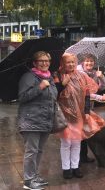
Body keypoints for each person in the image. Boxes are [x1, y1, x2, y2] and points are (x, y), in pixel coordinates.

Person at [54, 53, 105, 179]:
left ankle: (75, 166)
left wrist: (87, 112)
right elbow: (53, 95)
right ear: (63, 63)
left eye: (73, 62)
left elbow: (87, 94)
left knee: (77, 142)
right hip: (64, 115)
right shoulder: (58, 76)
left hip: (79, 114)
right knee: (66, 142)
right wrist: (62, 85)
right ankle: (66, 168)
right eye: (68, 62)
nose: (71, 64)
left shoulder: (81, 76)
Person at [18, 51, 58, 190]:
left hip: (45, 120)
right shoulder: (28, 77)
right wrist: (39, 87)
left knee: (39, 150)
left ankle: (34, 175)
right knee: (32, 151)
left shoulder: (50, 77)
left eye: (47, 61)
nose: (45, 63)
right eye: (41, 61)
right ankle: (28, 181)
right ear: (34, 63)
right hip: (31, 120)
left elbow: (53, 97)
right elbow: (22, 97)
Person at [77, 54, 105, 163]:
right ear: (83, 62)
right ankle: (78, 159)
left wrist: (101, 77)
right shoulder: (79, 74)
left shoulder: (95, 73)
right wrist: (100, 98)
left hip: (90, 106)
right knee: (80, 133)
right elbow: (85, 93)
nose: (89, 63)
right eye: (87, 61)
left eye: (91, 61)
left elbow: (101, 87)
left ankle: (84, 156)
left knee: (87, 131)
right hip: (80, 106)